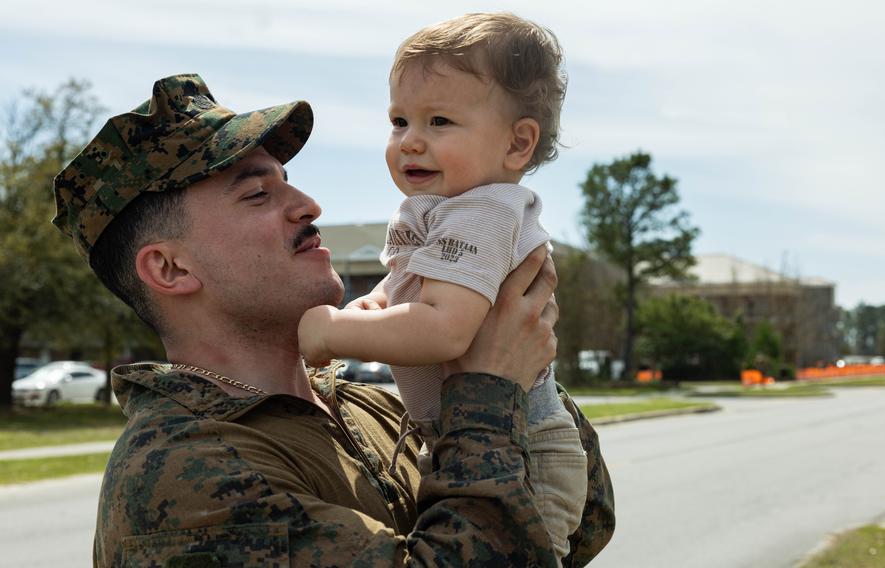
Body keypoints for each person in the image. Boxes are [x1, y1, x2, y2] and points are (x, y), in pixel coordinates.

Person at [53, 73, 614, 566]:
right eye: (256, 194)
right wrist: (489, 388)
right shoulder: (185, 474)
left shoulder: (369, 405)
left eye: (288, 179)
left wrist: (510, 345)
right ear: (170, 268)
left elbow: (581, 526)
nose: (309, 204)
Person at [297, 13, 586, 558]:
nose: (410, 142)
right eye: (399, 121)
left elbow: (445, 330)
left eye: (439, 122)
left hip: (528, 450)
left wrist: (332, 330)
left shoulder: (483, 211)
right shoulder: (444, 210)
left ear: (518, 144)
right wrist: (378, 303)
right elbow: (411, 288)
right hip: (477, 436)